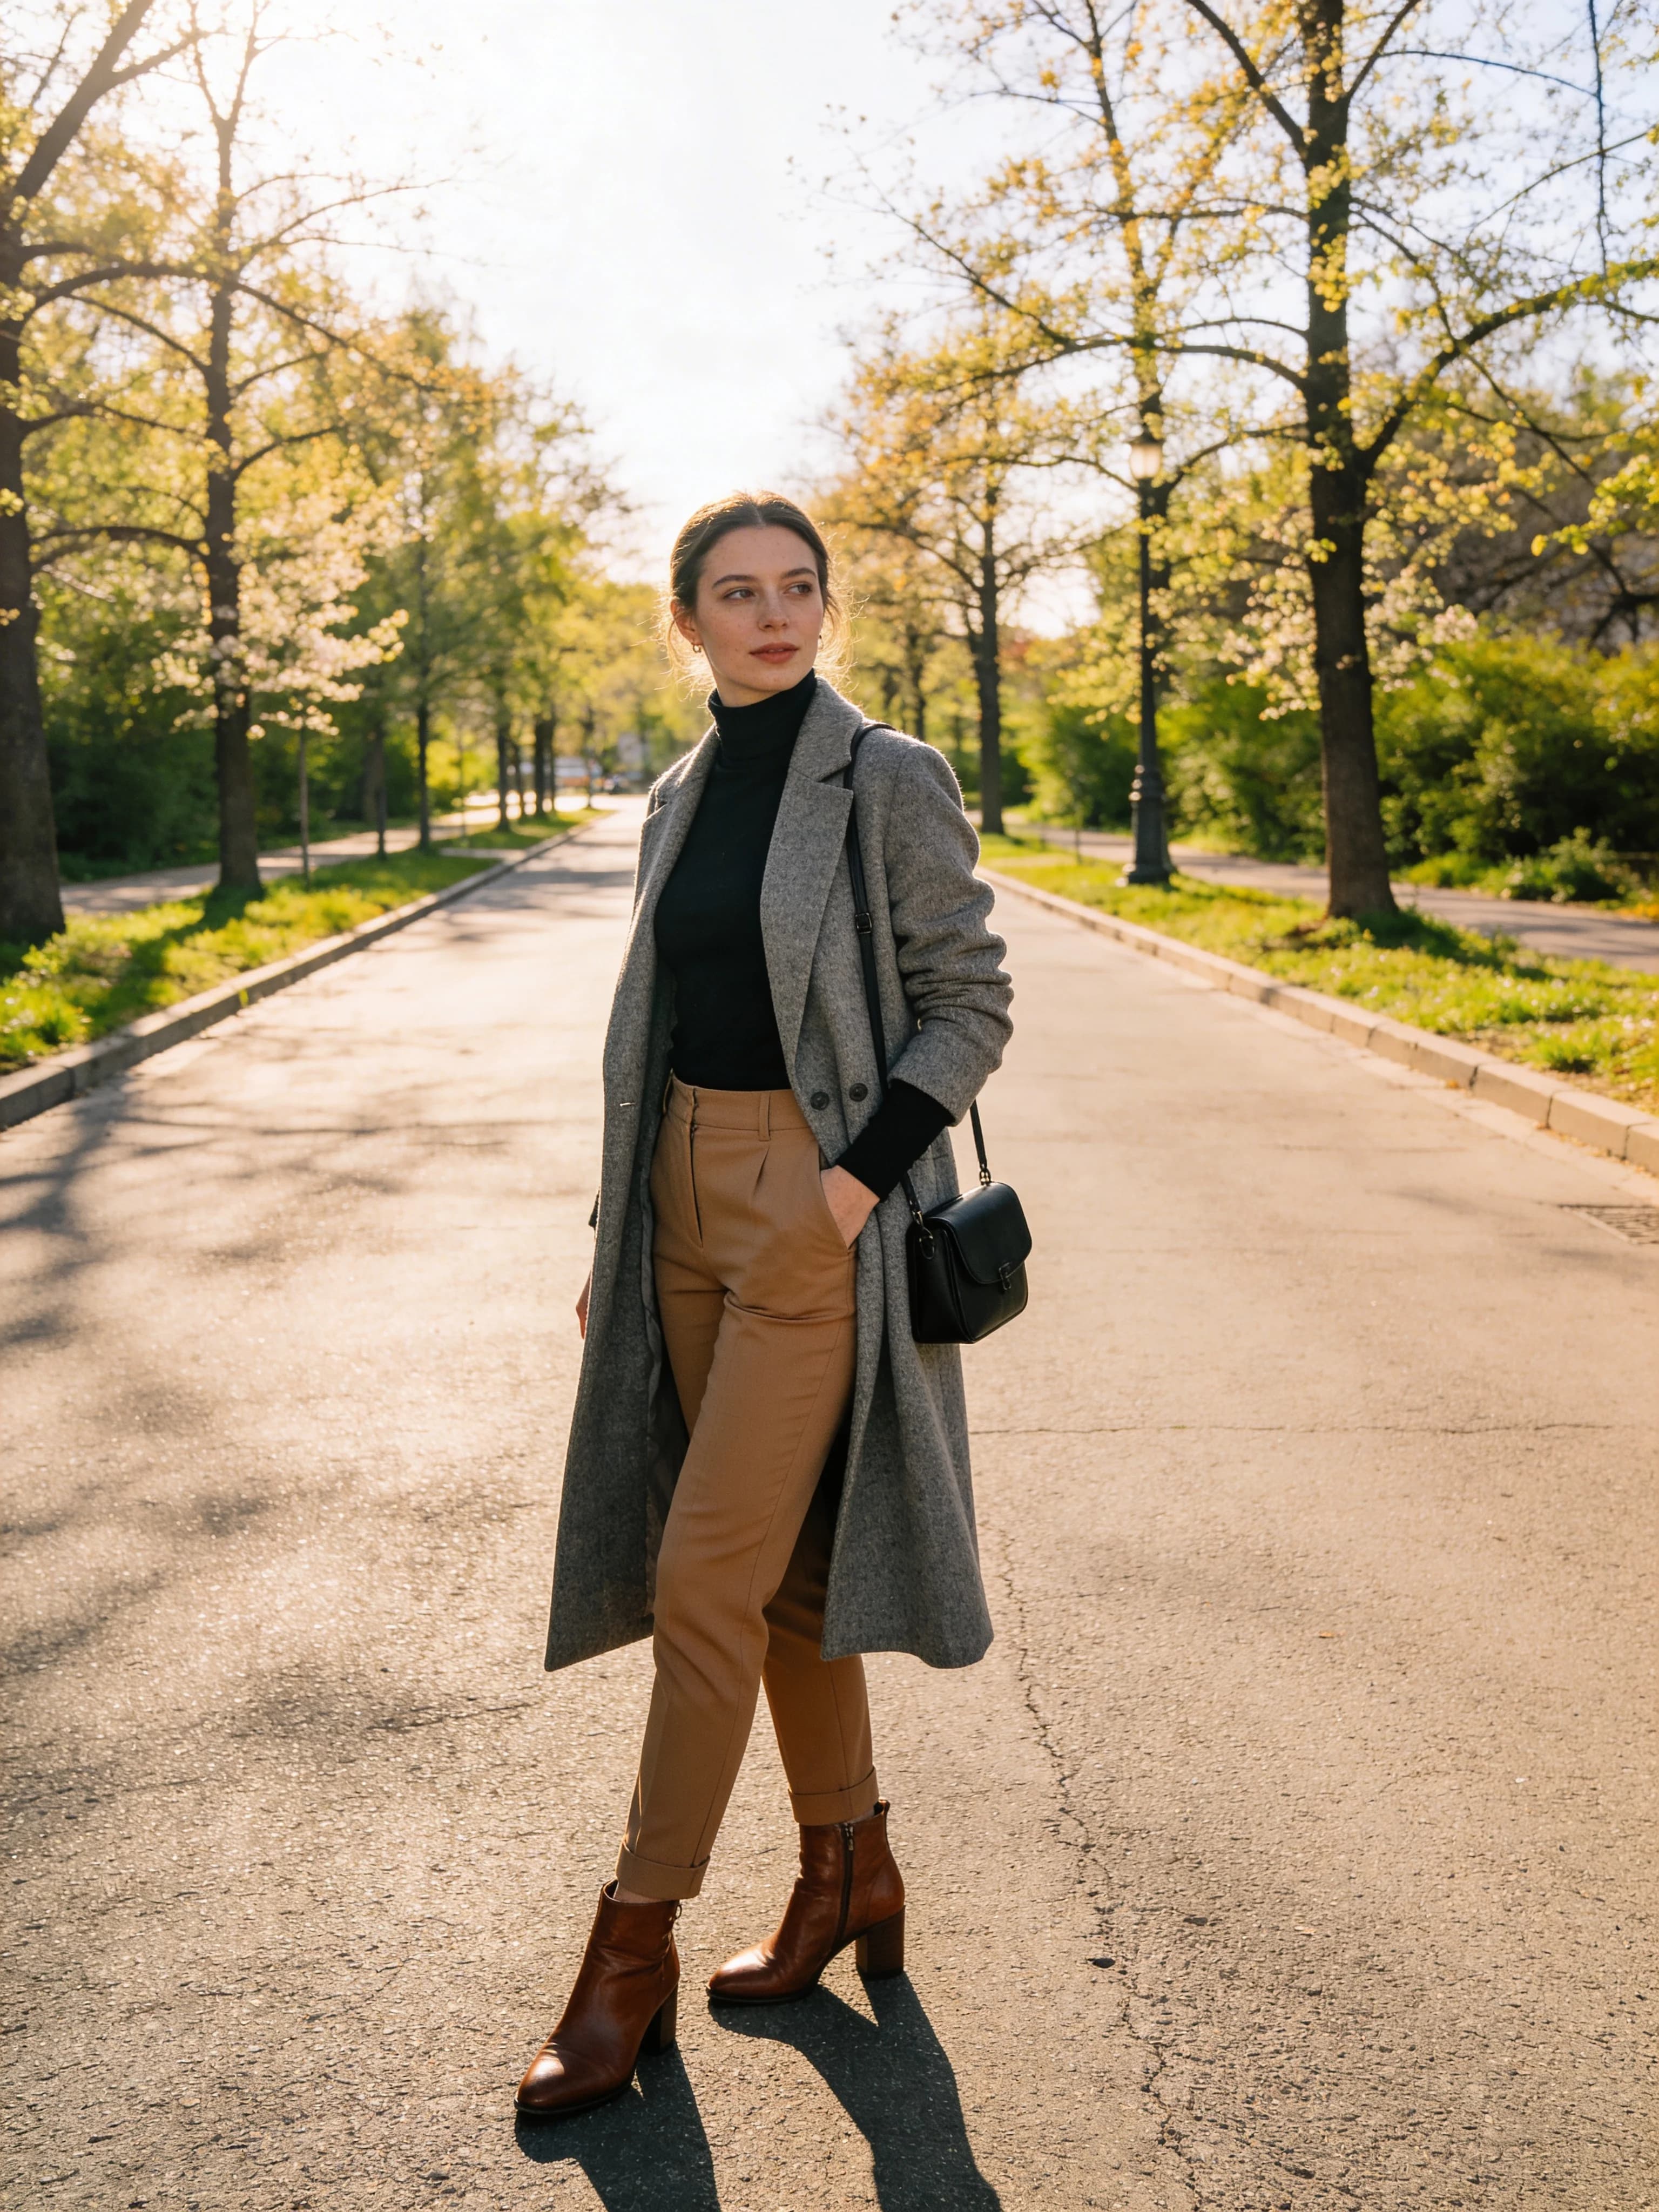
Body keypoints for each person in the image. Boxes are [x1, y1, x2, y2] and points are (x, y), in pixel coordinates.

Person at [516, 491, 1013, 2119]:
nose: (775, 615)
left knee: (704, 1579)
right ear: (688, 623)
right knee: (791, 1575)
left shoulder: (883, 775)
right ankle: (848, 1868)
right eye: (739, 593)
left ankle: (627, 1949)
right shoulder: (675, 793)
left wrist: (850, 1190)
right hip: (674, 1198)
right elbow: (657, 1021)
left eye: (799, 588)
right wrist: (619, 1222)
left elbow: (968, 1005)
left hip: (816, 1206)